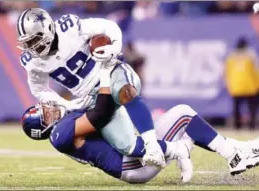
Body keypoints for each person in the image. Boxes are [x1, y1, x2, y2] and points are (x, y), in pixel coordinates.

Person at [17, 8, 165, 168]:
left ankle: (152, 146)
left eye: (34, 40)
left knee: (125, 91)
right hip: (90, 97)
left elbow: (108, 26)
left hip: (108, 73)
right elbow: (39, 90)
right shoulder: (32, 62)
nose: (32, 47)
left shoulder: (70, 27)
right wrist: (67, 105)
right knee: (126, 146)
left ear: (47, 29)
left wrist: (114, 47)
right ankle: (177, 148)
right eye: (28, 43)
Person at [21, 95, 259, 181]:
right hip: (132, 162)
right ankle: (235, 154)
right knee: (183, 115)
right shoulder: (59, 133)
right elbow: (99, 115)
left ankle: (242, 151)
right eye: (45, 114)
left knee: (182, 118)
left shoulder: (64, 124)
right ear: (43, 128)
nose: (50, 109)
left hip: (130, 158)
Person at [225, 37, 259, 130]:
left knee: (237, 109)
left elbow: (226, 73)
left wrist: (229, 85)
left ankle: (237, 126)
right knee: (252, 108)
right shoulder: (251, 56)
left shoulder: (231, 57)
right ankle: (252, 126)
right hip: (250, 87)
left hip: (236, 87)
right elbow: (257, 71)